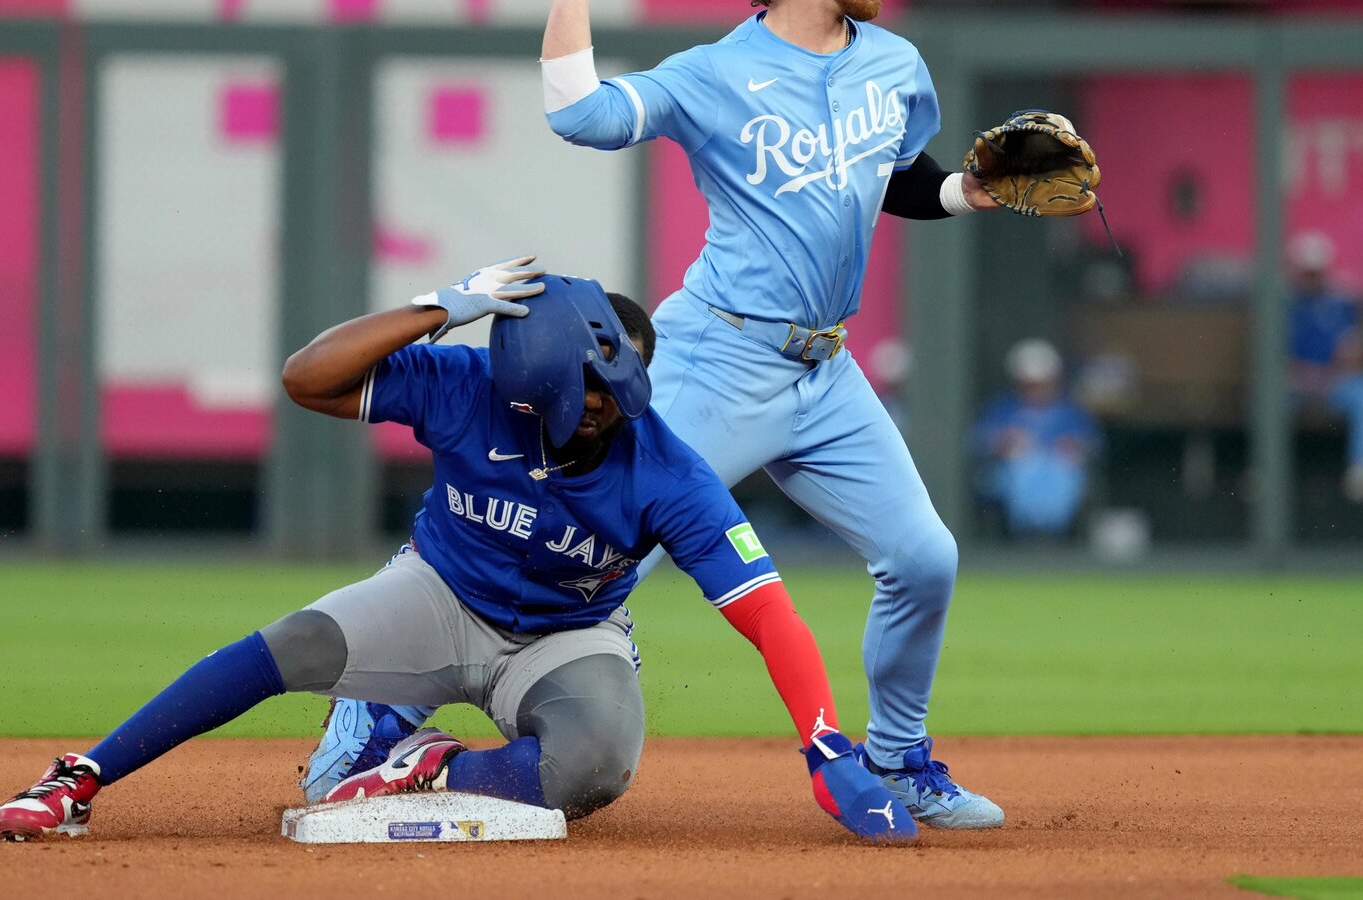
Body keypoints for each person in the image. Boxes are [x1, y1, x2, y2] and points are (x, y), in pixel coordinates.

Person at [312, 0, 1010, 829]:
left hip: (826, 370)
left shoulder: (892, 61)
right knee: (596, 552)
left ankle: (898, 761)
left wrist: (970, 191)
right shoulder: (715, 73)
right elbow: (580, 114)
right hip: (717, 357)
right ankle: (375, 714)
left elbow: (893, 175)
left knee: (925, 557)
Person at [0, 259, 919, 844]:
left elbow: (770, 616)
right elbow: (306, 378)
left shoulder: (666, 472)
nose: (612, 401)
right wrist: (440, 304)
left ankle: (425, 762)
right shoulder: (470, 384)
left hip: (567, 633)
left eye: (622, 381)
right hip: (437, 594)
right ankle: (80, 777)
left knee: (596, 765)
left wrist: (826, 742)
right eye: (594, 382)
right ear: (544, 370)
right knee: (289, 647)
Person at [973, 339, 1101, 537]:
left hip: (1059, 475)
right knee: (1015, 473)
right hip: (1012, 474)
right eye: (1029, 384)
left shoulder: (1070, 412)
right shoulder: (1003, 408)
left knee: (1065, 476)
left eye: (1042, 384)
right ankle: (1022, 536)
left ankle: (1053, 537)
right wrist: (1004, 444)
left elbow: (1092, 445)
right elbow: (979, 442)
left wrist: (1073, 448)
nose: (1035, 390)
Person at [1287, 233, 1363, 504]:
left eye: (1317, 272)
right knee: (1266, 397)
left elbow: (1352, 348)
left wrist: (1348, 356)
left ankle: (1362, 470)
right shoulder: (1284, 304)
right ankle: (1269, 469)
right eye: (1307, 272)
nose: (1312, 278)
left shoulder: (1341, 304)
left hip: (1334, 381)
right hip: (1295, 382)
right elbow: (1272, 355)